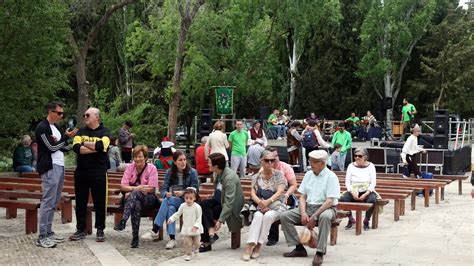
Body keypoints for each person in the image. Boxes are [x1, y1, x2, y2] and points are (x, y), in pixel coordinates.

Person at [280, 150, 340, 266]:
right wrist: (303, 213)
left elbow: (329, 201)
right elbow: (302, 196)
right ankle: (299, 248)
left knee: (325, 217)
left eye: (313, 161)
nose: (310, 163)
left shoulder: (331, 177)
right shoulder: (308, 174)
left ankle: (320, 252)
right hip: (308, 206)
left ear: (322, 163)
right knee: (284, 216)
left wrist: (314, 216)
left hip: (326, 208)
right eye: (310, 160)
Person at [35, 102, 77, 248]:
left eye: (62, 113)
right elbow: (52, 147)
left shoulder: (57, 128)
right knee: (47, 201)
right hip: (49, 166)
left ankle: (49, 231)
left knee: (54, 201)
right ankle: (42, 236)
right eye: (59, 113)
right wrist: (65, 138)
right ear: (50, 111)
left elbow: (62, 146)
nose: (61, 116)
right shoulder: (42, 127)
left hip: (60, 165)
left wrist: (71, 140)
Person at [141, 150, 199, 249]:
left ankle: (155, 229)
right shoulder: (170, 172)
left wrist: (184, 193)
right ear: (175, 162)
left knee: (167, 201)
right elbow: (164, 189)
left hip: (188, 201)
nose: (183, 162)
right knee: (170, 207)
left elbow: (195, 189)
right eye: (180, 160)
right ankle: (172, 239)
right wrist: (165, 194)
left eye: (184, 159)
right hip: (174, 200)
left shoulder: (192, 172)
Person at [70, 107, 110, 242]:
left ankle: (100, 229)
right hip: (81, 172)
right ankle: (80, 229)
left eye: (88, 115)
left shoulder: (105, 131)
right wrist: (95, 147)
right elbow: (76, 148)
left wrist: (84, 143)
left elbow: (102, 146)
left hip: (98, 172)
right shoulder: (80, 131)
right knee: (80, 202)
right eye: (84, 115)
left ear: (97, 117)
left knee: (100, 202)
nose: (85, 117)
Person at [242, 150, 286, 261]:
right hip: (260, 206)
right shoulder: (256, 177)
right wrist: (261, 204)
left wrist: (267, 202)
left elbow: (280, 191)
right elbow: (252, 193)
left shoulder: (279, 175)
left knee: (268, 216)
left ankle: (259, 244)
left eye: (273, 160)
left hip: (277, 206)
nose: (270, 163)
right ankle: (249, 245)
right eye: (267, 160)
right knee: (257, 216)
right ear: (262, 161)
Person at [114, 145, 159, 248]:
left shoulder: (152, 168)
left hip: (148, 199)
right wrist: (135, 189)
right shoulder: (130, 167)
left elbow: (151, 188)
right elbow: (122, 186)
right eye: (135, 156)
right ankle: (135, 239)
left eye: (140, 156)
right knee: (136, 204)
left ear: (145, 158)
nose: (137, 159)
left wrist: (134, 190)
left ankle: (124, 220)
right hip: (132, 200)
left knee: (135, 194)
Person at [199, 153, 244, 253]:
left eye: (209, 163)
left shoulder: (229, 178)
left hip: (231, 206)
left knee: (207, 212)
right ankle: (211, 233)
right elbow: (219, 191)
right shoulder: (217, 173)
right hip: (219, 201)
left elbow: (229, 202)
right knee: (202, 205)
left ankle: (207, 242)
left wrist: (220, 220)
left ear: (216, 166)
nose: (208, 165)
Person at [264, 146, 298, 246]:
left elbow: (294, 185)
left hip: (285, 195)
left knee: (275, 205)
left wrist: (287, 195)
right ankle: (266, 236)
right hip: (269, 195)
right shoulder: (264, 168)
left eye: (277, 155)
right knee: (268, 204)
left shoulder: (285, 167)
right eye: (274, 156)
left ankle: (272, 237)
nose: (277, 158)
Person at [340, 148, 377, 231]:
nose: (357, 158)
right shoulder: (350, 166)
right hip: (354, 189)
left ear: (365, 157)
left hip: (366, 189)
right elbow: (347, 182)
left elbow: (373, 182)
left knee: (373, 199)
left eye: (359, 156)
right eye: (355, 156)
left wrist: (366, 193)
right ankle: (351, 220)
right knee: (343, 199)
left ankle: (366, 221)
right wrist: (352, 192)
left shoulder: (371, 166)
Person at [167, 187, 203, 261]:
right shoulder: (183, 206)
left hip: (195, 228)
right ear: (184, 198)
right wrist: (171, 219)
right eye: (186, 198)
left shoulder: (197, 207)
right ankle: (188, 254)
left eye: (190, 198)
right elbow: (178, 214)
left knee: (197, 243)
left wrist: (196, 226)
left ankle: (196, 249)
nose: (188, 200)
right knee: (188, 243)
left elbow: (199, 217)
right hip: (186, 228)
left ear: (194, 198)